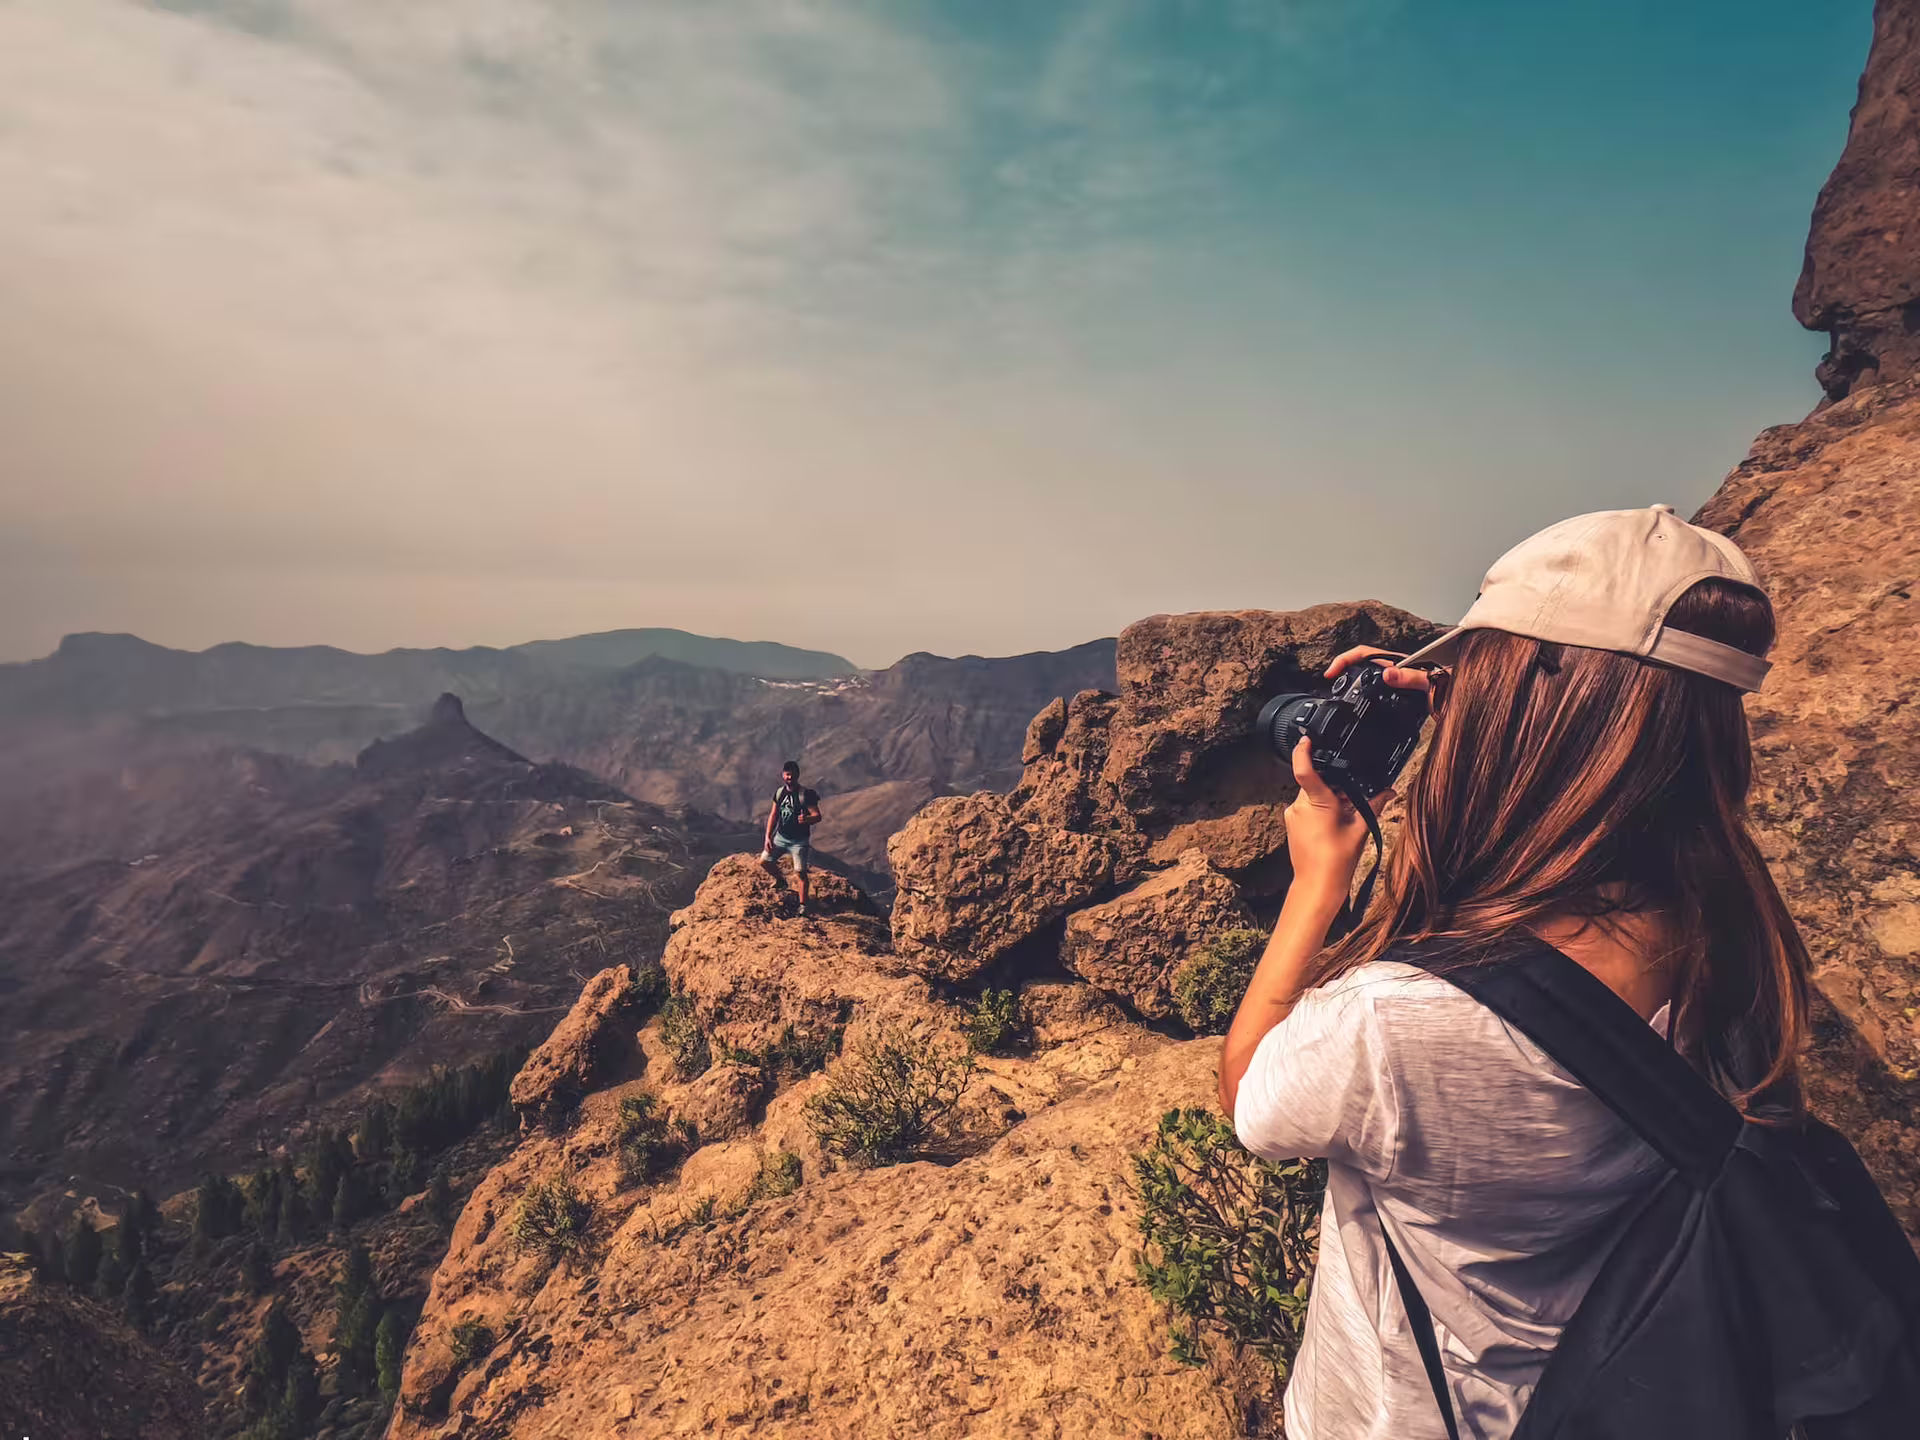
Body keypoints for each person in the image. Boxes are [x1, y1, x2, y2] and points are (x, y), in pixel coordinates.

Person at [1218, 505, 1811, 1439]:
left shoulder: (1396, 1022)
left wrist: (1318, 880)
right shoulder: (1738, 935)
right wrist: (1490, 698)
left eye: (1471, 682)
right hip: (1641, 1389)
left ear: (1517, 712)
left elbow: (1251, 1095)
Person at [760, 759, 821, 916]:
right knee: (764, 861)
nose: (789, 778)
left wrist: (807, 820)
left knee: (800, 872)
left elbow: (817, 815)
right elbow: (774, 815)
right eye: (787, 775)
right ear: (783, 775)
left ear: (797, 775)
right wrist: (768, 837)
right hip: (780, 837)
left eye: (792, 775)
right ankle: (780, 880)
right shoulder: (780, 793)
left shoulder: (805, 795)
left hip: (799, 841)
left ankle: (803, 905)